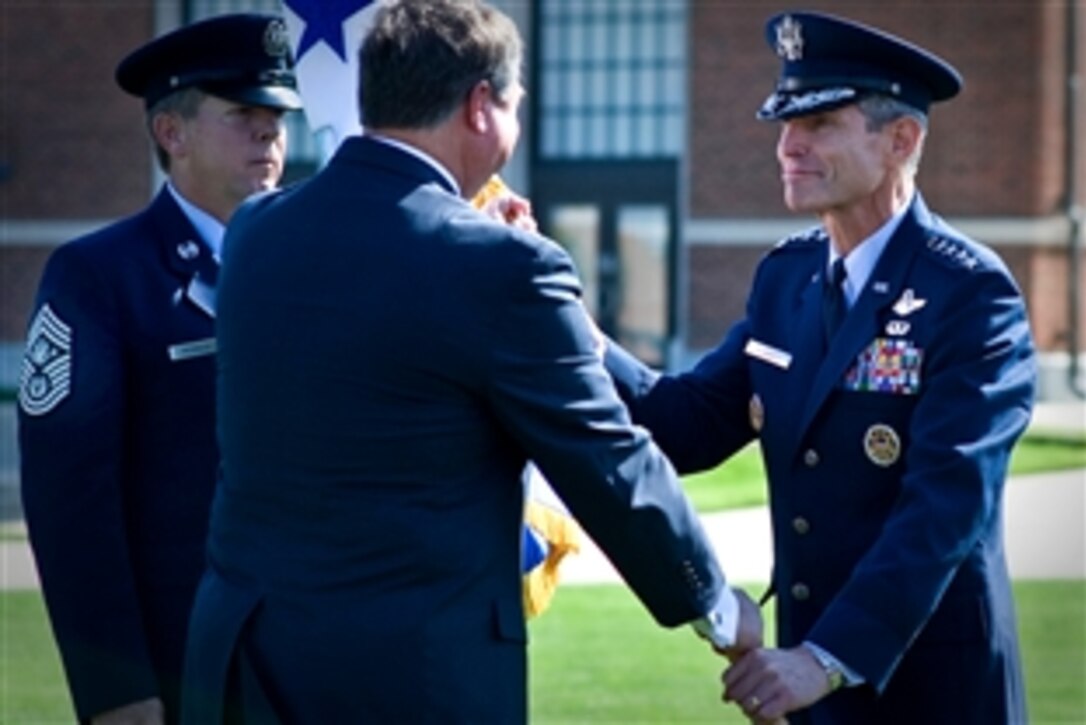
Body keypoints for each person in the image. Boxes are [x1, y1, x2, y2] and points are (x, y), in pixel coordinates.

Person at [180, 1, 761, 722]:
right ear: (481, 105)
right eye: (515, 104)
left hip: (245, 662)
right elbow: (606, 456)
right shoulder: (500, 265)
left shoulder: (257, 231)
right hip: (404, 676)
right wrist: (717, 606)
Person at [604, 11, 1036, 725]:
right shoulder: (787, 276)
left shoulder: (971, 293)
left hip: (931, 688)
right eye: (785, 125)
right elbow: (683, 426)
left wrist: (827, 657)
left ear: (902, 140)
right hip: (810, 691)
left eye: (821, 124)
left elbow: (945, 508)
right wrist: (561, 322)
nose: (788, 147)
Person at [16, 14, 301, 724]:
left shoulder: (317, 266)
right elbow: (70, 502)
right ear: (171, 134)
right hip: (188, 671)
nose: (269, 134)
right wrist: (115, 688)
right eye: (243, 114)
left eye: (277, 117)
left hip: (322, 665)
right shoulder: (99, 277)